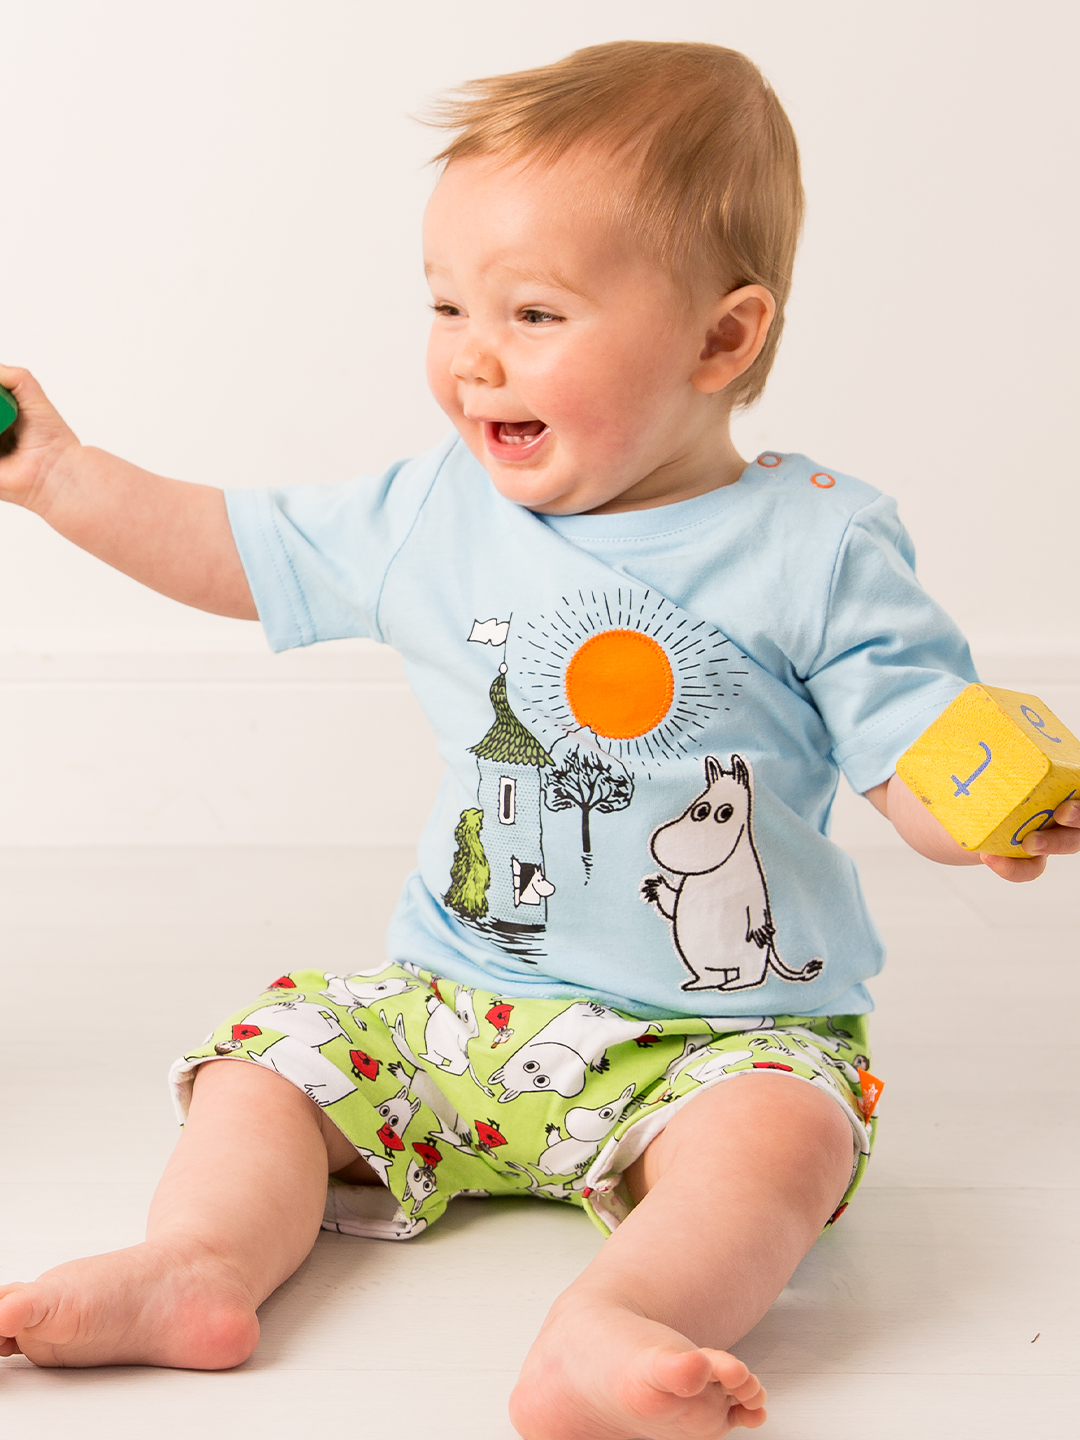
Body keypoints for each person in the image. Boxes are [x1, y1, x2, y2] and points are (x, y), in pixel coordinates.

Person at [0, 40, 1076, 1440]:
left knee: (784, 1139)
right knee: (268, 1057)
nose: (473, 355)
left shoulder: (816, 545)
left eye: (534, 312)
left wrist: (993, 817)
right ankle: (196, 1262)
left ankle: (618, 1322)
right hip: (457, 1007)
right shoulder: (434, 511)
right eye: (447, 304)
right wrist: (62, 476)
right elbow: (235, 549)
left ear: (721, 340)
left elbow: (915, 750)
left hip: (721, 1039)